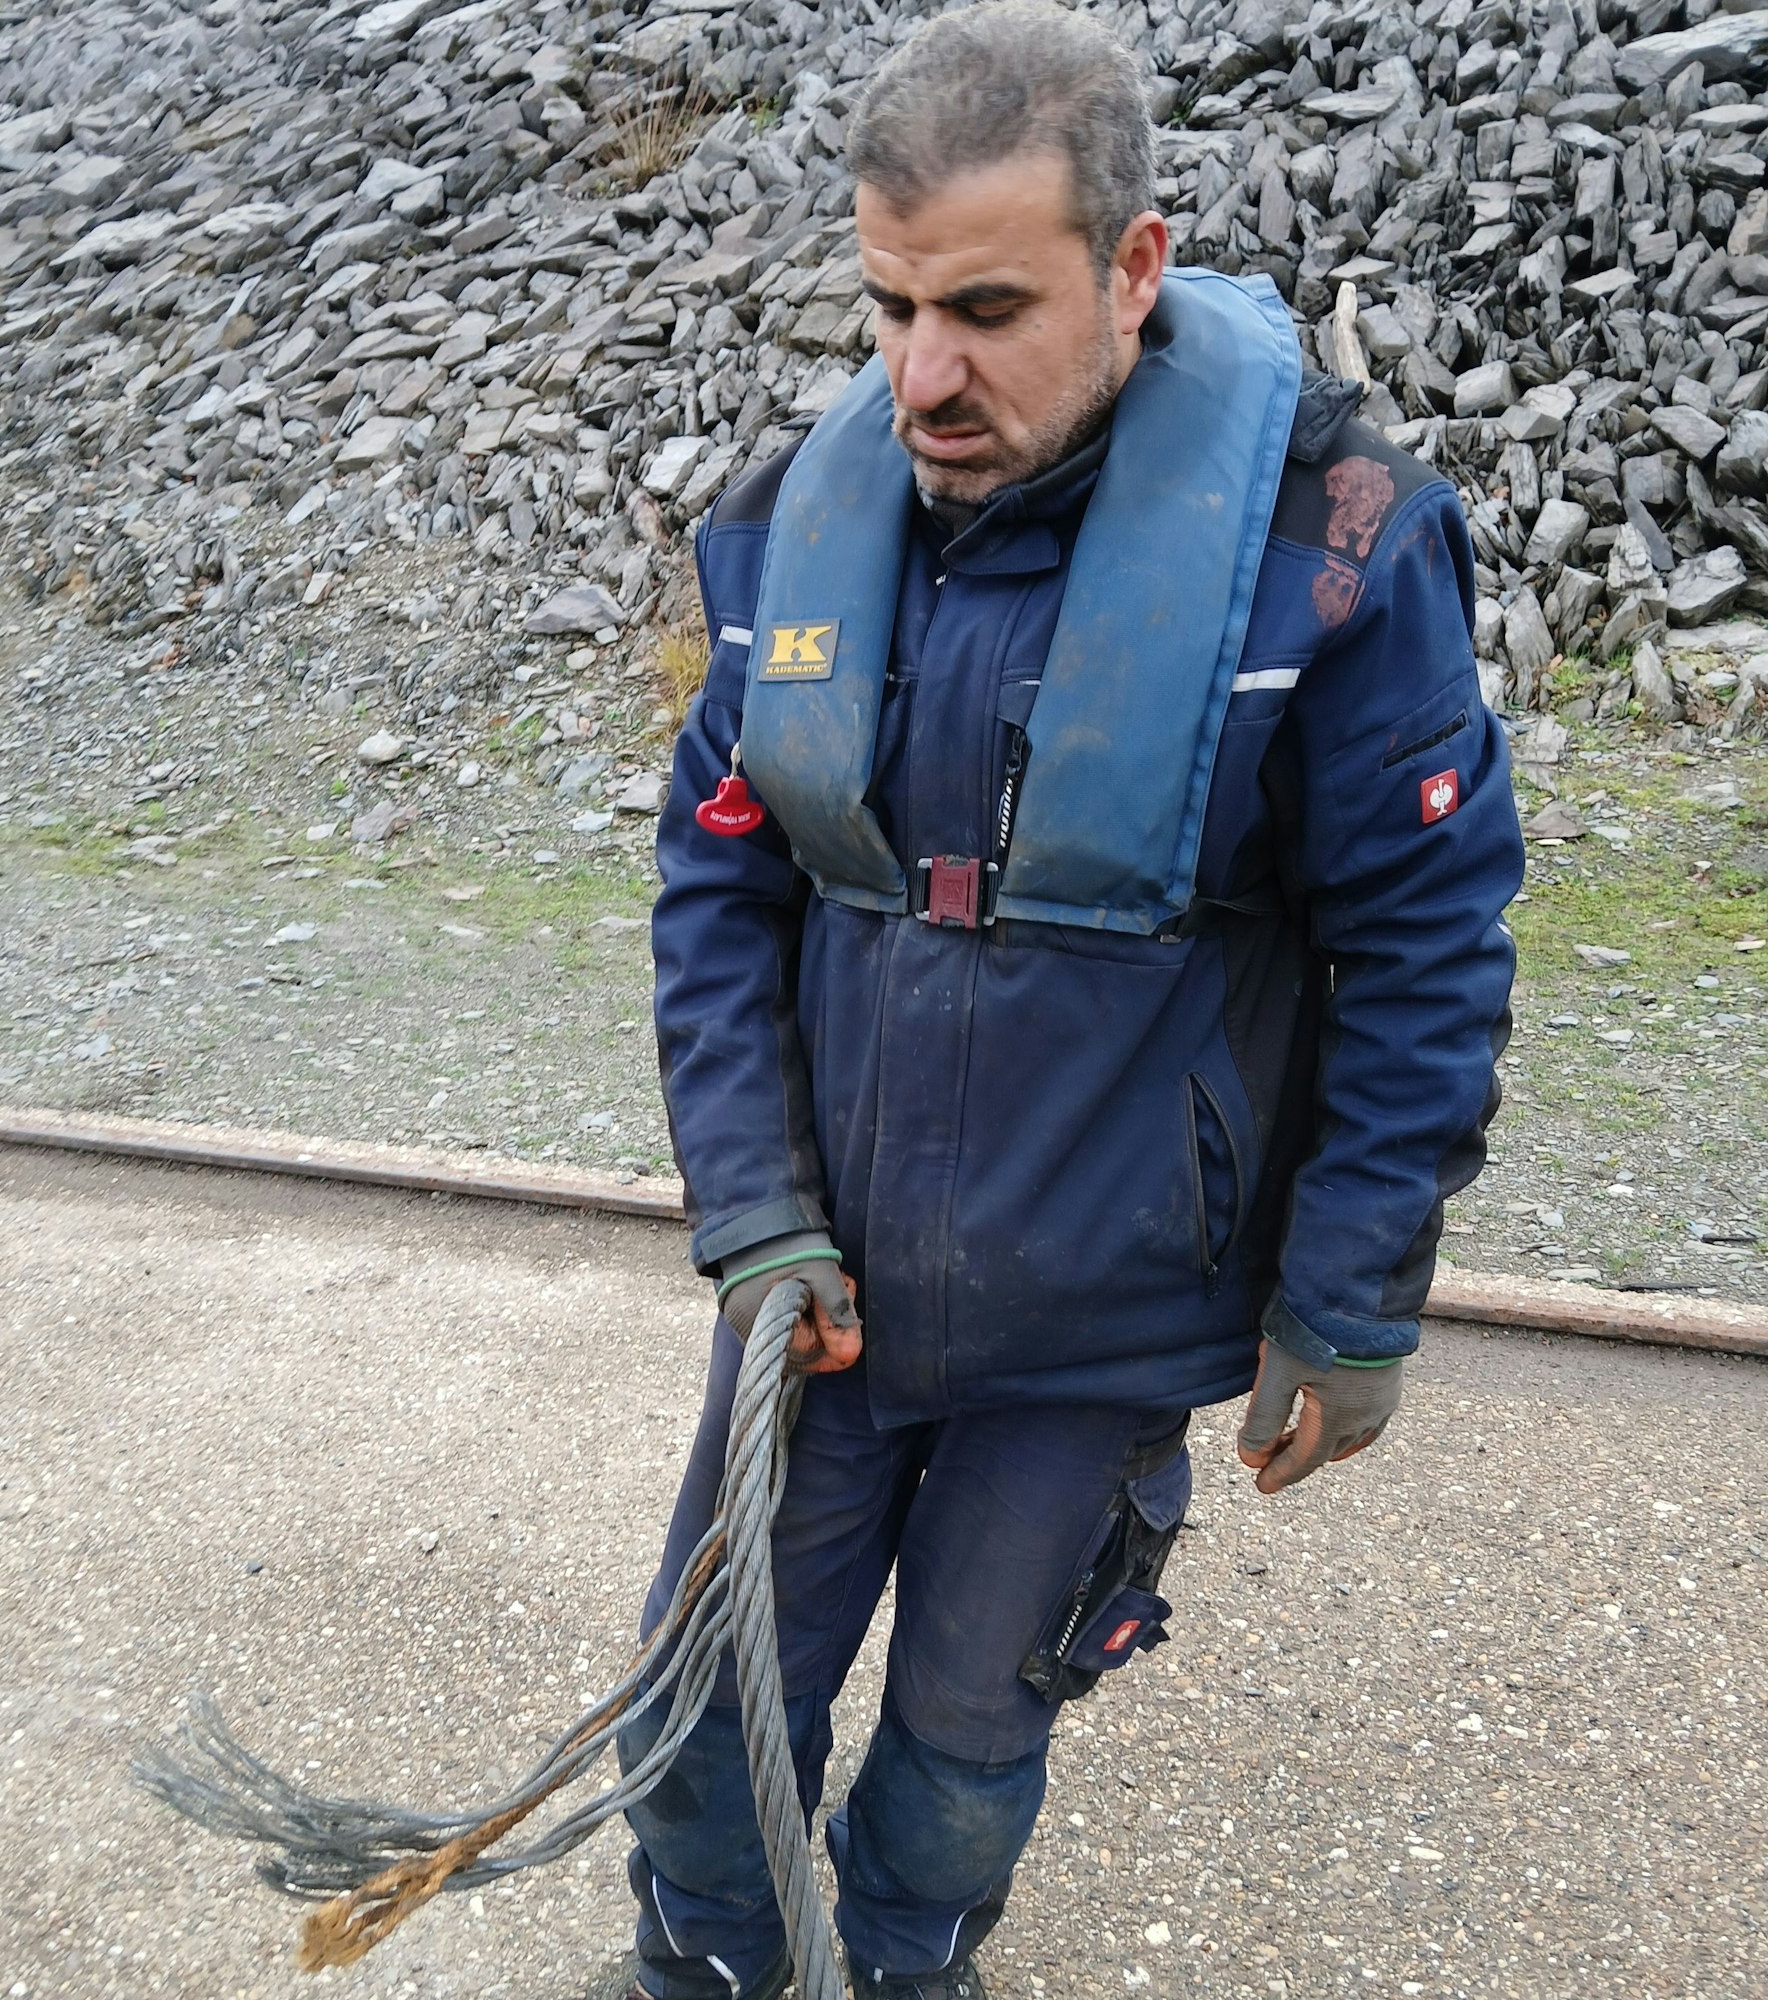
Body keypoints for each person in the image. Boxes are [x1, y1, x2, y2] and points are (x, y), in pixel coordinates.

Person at [620, 4, 1524, 1995]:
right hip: (825, 1294)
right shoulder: (796, 526)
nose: (922, 375)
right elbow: (717, 882)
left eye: (986, 310)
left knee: (968, 1734)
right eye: (889, 307)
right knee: (703, 1704)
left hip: (1103, 1314)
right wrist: (753, 1208)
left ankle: (904, 1962)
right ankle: (703, 1967)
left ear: (1133, 265)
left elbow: (1428, 947)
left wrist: (1351, 1297)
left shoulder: (1333, 549)